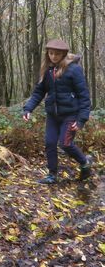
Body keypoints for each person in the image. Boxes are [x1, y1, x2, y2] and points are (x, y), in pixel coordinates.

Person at [22, 38, 92, 184]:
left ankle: (85, 162)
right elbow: (38, 92)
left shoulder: (74, 69)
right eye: (51, 53)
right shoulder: (47, 71)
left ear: (63, 54)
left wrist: (81, 120)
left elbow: (84, 96)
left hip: (70, 115)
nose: (53, 56)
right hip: (53, 116)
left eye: (57, 54)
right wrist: (28, 109)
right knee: (50, 143)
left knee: (65, 144)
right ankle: (52, 175)